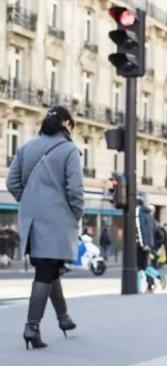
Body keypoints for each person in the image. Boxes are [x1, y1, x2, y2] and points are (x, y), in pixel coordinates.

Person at [6, 106, 83, 349]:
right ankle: (32, 327)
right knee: (45, 271)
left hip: (32, 220)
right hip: (57, 220)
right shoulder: (69, 150)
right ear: (67, 124)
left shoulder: (27, 147)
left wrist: (29, 200)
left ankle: (63, 318)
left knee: (49, 268)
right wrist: (76, 214)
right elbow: (75, 191)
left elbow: (11, 182)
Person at [136, 199, 166, 292]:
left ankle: (138, 288)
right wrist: (151, 245)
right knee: (144, 266)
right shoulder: (151, 217)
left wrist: (143, 243)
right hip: (150, 246)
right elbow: (155, 232)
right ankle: (160, 277)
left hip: (141, 245)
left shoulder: (139, 214)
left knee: (137, 267)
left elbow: (141, 230)